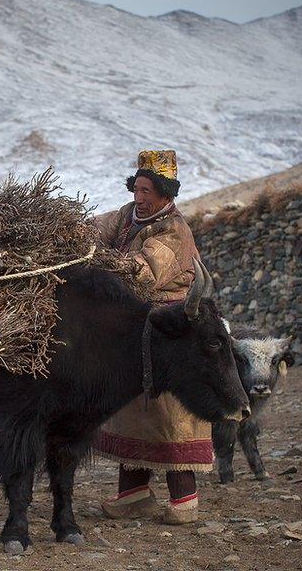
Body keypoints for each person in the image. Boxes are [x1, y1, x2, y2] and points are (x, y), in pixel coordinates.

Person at [91, 149, 209, 525]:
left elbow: (141, 273)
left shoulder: (174, 230)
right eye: (136, 188)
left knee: (171, 411)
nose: (138, 197)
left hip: (172, 330)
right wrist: (69, 235)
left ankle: (184, 499)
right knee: (133, 410)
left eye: (147, 190)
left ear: (166, 192)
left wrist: (97, 260)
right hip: (135, 326)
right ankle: (134, 495)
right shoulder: (128, 216)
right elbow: (92, 229)